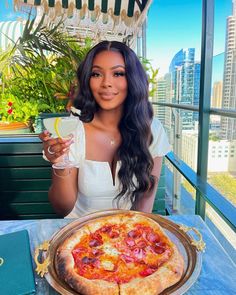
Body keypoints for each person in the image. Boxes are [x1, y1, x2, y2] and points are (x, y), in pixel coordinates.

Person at [39, 40, 170, 218]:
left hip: (128, 233)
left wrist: (136, 236)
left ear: (133, 79)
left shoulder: (152, 129)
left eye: (118, 73)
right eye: (96, 74)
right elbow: (63, 208)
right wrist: (60, 163)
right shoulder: (72, 129)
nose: (106, 83)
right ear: (87, 80)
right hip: (79, 233)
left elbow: (145, 200)